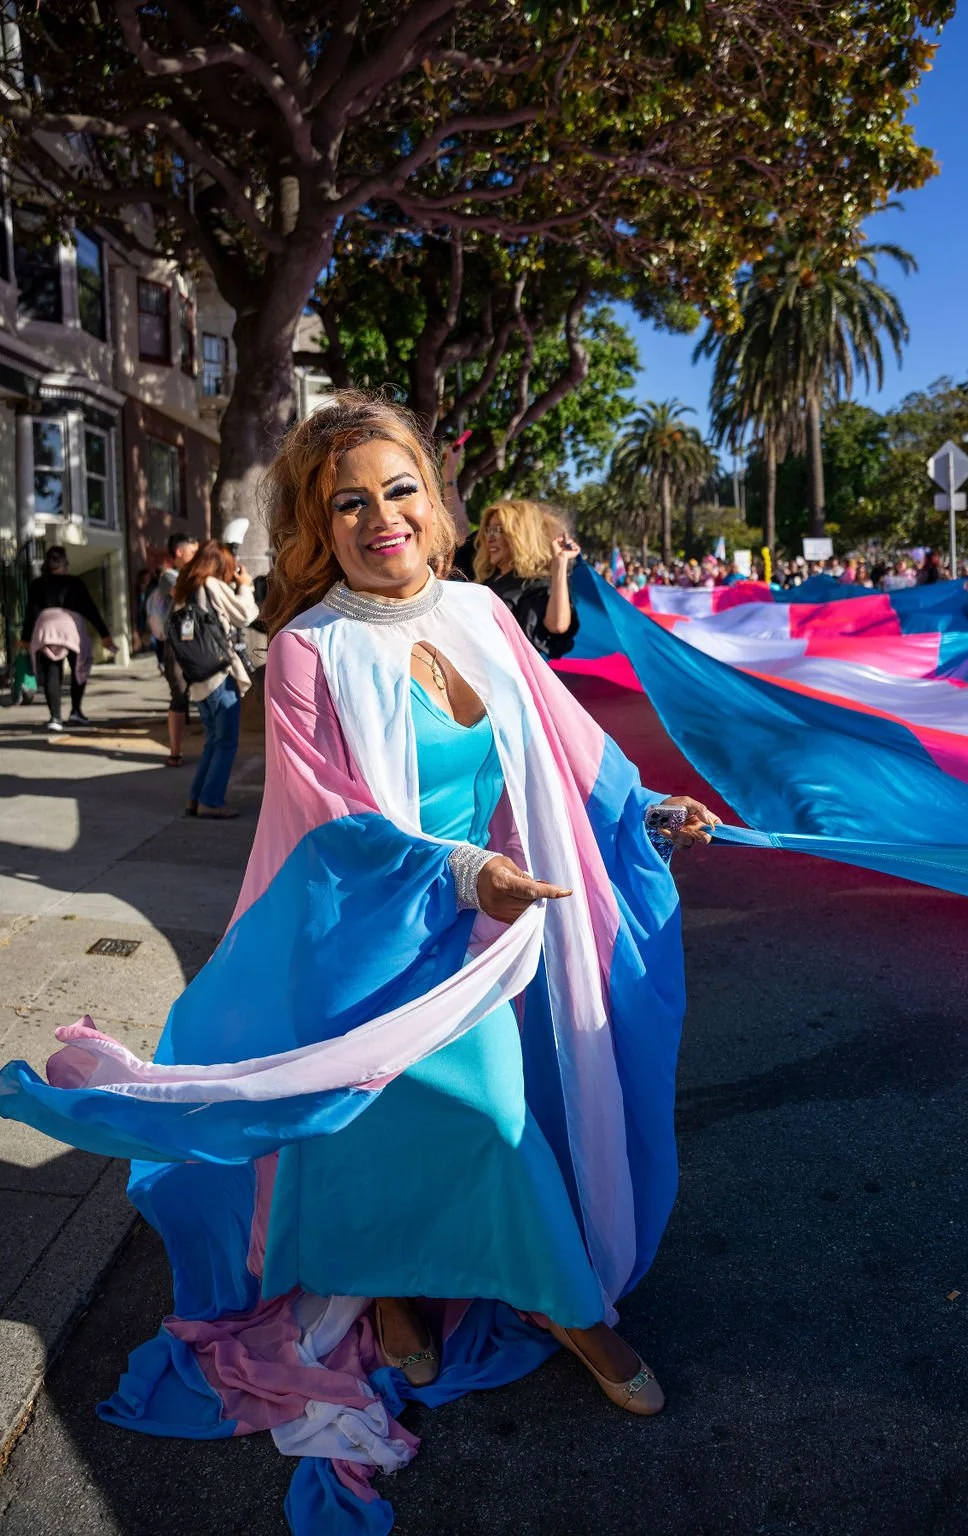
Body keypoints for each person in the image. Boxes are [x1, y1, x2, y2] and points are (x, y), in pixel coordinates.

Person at [0, 390, 721, 1530]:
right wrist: (457, 876)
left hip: (489, 934)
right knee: (457, 1123)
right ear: (315, 525)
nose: (380, 516)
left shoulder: (485, 614)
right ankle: (460, 1300)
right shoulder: (305, 651)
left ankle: (517, 1301)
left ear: (434, 507)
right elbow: (334, 825)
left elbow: (570, 754)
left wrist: (650, 812)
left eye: (399, 490)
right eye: (348, 502)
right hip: (372, 942)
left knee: (482, 1124)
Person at [170, 539, 258, 819]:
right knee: (226, 742)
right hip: (219, 674)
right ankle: (211, 801)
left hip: (198, 678)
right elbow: (245, 614)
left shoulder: (185, 590)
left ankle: (195, 799)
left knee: (213, 741)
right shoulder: (210, 585)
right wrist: (245, 585)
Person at [20, 546, 115, 731]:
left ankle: (55, 718)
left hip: (46, 628)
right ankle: (76, 712)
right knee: (79, 668)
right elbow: (90, 608)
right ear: (64, 564)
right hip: (71, 627)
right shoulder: (75, 583)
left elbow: (31, 612)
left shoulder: (38, 584)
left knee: (51, 673)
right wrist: (104, 634)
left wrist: (25, 638)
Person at [474, 498, 580, 659]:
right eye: (488, 530)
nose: (490, 537)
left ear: (520, 535)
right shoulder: (488, 578)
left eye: (499, 530)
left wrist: (559, 563)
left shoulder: (536, 585)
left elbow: (557, 626)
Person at [147, 531, 200, 766]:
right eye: (193, 552)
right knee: (179, 694)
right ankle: (175, 751)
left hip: (197, 642)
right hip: (177, 643)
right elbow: (182, 592)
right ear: (179, 552)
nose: (196, 557)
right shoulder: (168, 577)